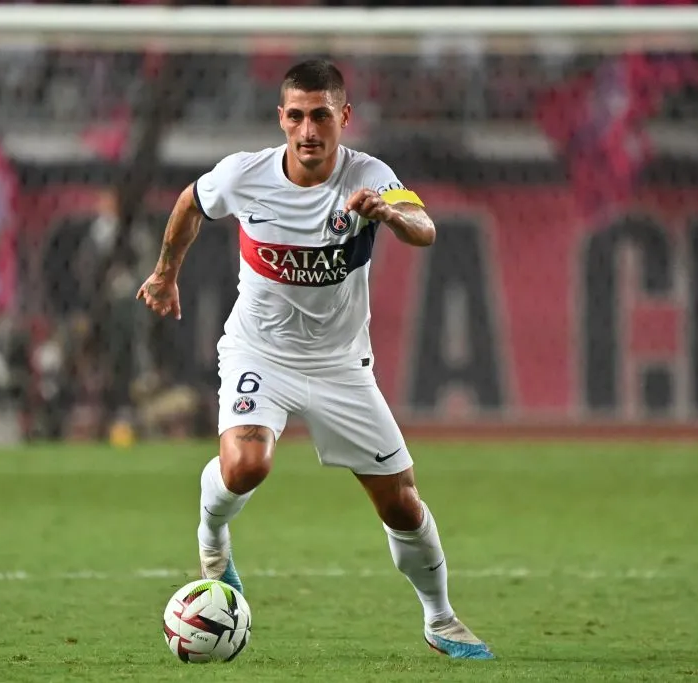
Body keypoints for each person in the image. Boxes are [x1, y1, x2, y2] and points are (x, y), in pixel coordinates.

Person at [136, 59, 494, 660]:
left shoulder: (371, 175)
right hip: (261, 351)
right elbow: (191, 202)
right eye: (296, 116)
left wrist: (390, 214)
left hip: (340, 367)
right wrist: (166, 273)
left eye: (321, 116)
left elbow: (424, 227)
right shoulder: (243, 176)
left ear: (344, 118)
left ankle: (441, 619)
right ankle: (212, 534)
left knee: (401, 503)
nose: (308, 131)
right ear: (281, 119)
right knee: (248, 464)